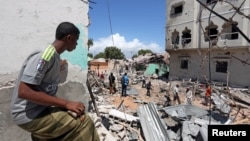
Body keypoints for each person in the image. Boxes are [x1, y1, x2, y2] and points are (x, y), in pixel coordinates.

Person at [10, 22, 100, 141]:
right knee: (84, 121)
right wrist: (67, 103)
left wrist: (58, 66)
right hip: (29, 114)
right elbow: (24, 91)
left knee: (74, 113)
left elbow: (42, 78)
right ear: (69, 38)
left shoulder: (55, 57)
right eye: (76, 40)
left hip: (40, 109)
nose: (76, 44)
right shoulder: (45, 55)